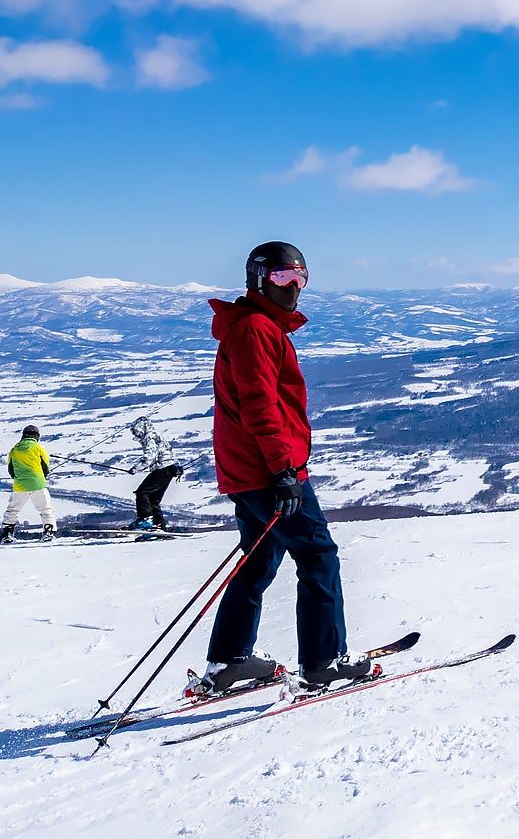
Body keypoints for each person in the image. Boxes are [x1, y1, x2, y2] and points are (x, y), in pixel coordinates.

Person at [200, 241, 370, 693]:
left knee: (258, 559)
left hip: (248, 470)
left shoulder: (257, 328)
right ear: (258, 279)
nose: (294, 287)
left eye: (301, 278)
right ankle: (324, 661)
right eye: (282, 277)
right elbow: (260, 406)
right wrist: (283, 472)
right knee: (317, 555)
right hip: (269, 471)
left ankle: (230, 661)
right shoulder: (256, 329)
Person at [125, 416, 183, 530]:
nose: (135, 434)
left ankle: (145, 519)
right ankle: (159, 528)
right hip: (170, 469)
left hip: (162, 469)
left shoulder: (149, 437)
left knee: (142, 492)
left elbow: (150, 456)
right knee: (153, 500)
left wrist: (136, 468)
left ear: (141, 428)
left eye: (135, 431)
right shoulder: (157, 436)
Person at [1, 425, 57, 543]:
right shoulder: (39, 448)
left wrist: (20, 479)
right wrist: (41, 477)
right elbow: (45, 467)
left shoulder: (14, 449)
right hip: (38, 484)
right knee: (45, 509)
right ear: (36, 436)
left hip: (20, 485)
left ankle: (7, 534)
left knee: (13, 510)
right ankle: (48, 533)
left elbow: (11, 470)